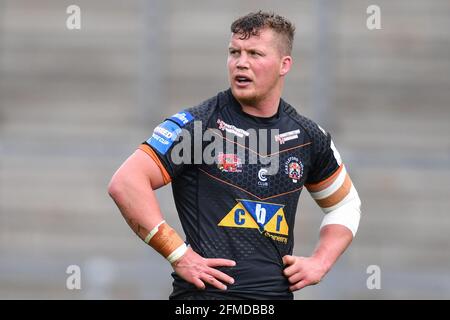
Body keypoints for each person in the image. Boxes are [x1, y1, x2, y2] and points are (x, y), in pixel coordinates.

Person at [108, 11, 361, 300]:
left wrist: (321, 262)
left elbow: (346, 205)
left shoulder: (307, 136)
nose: (241, 62)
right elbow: (126, 183)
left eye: (255, 53)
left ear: (284, 64)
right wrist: (179, 255)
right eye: (234, 52)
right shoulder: (200, 126)